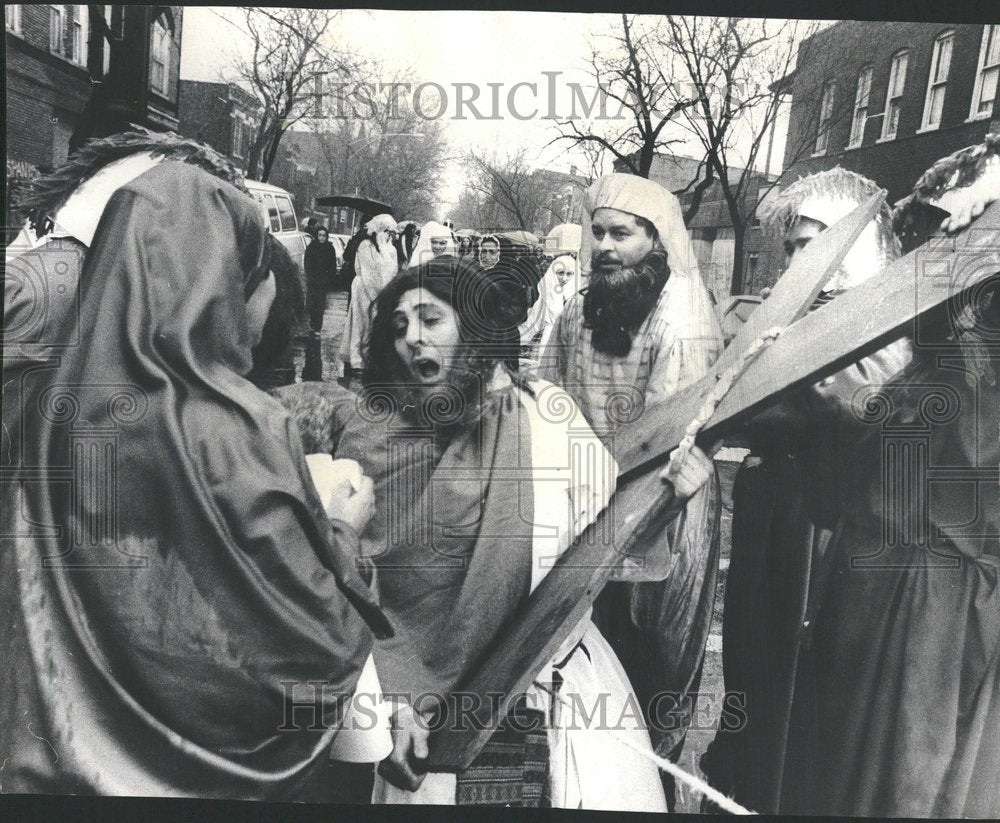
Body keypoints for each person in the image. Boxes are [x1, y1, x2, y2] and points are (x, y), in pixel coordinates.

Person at [0, 133, 390, 798]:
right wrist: (342, 532)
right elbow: (312, 650)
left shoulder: (46, 416)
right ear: (223, 276)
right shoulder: (243, 427)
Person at [318, 255, 716, 809]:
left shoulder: (545, 415)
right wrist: (386, 704)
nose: (412, 337)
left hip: (543, 678)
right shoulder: (370, 433)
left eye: (431, 319)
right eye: (399, 325)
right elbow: (346, 585)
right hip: (405, 713)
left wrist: (669, 498)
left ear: (474, 328)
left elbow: (600, 540)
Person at [775, 139, 1000, 817]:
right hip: (868, 589)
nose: (928, 253)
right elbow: (842, 486)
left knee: (908, 783)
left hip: (937, 607)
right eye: (922, 235)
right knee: (834, 770)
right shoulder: (920, 363)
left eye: (944, 234)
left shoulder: (970, 370)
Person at [700, 167, 913, 814]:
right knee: (749, 675)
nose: (797, 260)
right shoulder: (797, 320)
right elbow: (733, 403)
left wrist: (781, 382)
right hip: (774, 521)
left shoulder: (886, 323)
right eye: (792, 246)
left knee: (797, 694)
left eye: (813, 243)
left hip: (825, 533)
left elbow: (860, 403)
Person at [539, 172, 724, 808]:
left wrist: (620, 513)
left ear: (656, 239)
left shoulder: (681, 320)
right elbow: (547, 392)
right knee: (585, 667)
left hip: (666, 512)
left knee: (652, 672)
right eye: (599, 231)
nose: (607, 245)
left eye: (623, 233)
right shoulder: (578, 307)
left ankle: (651, 791)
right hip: (589, 508)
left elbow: (673, 437)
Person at [339, 213, 399, 379]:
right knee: (360, 324)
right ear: (378, 230)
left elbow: (393, 271)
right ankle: (356, 360)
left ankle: (369, 360)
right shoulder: (366, 245)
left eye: (391, 232)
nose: (389, 235)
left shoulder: (390, 249)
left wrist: (386, 294)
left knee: (374, 326)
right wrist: (377, 295)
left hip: (380, 291)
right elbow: (368, 272)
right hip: (364, 288)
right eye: (387, 231)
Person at [303, 225, 338, 335]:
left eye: (324, 235)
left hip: (323, 282)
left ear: (327, 236)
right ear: (316, 236)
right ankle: (313, 323)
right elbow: (307, 263)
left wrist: (329, 279)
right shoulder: (311, 247)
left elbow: (332, 265)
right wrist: (310, 276)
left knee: (320, 305)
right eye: (320, 235)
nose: (322, 238)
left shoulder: (330, 248)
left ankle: (318, 327)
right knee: (312, 304)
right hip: (313, 281)